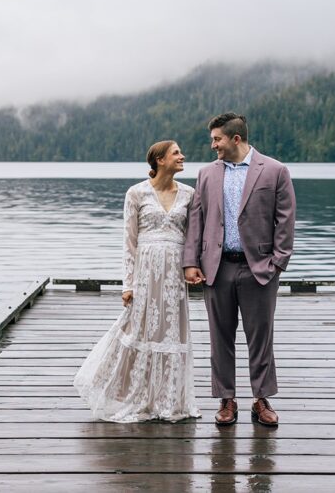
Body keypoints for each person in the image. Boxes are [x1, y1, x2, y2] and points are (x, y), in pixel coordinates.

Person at [73, 140, 201, 422]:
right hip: (145, 272)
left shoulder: (190, 194)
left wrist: (193, 267)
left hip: (173, 276)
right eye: (176, 153)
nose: (183, 156)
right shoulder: (136, 193)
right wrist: (127, 284)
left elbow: (194, 238)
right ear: (159, 160)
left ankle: (168, 401)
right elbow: (129, 242)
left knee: (171, 333)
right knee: (137, 331)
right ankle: (123, 392)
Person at [183, 112, 296, 427]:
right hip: (216, 269)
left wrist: (277, 262)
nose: (212, 145)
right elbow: (197, 219)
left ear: (236, 138)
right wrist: (191, 262)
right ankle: (226, 399)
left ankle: (261, 400)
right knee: (220, 338)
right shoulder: (206, 174)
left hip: (259, 268)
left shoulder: (275, 171)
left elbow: (285, 220)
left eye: (216, 139)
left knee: (261, 337)